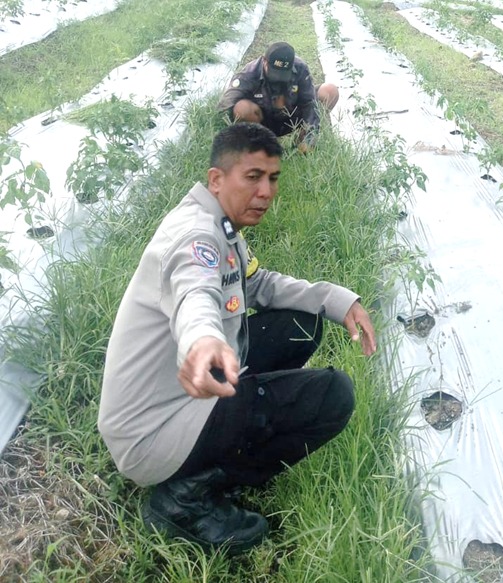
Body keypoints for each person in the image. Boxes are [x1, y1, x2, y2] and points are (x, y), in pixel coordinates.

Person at [97, 122, 376, 553]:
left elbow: (257, 283)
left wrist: (336, 301)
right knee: (333, 395)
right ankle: (184, 498)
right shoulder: (195, 237)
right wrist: (203, 342)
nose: (266, 192)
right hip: (153, 433)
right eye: (253, 177)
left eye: (273, 178)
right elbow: (195, 294)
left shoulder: (220, 224)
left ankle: (222, 441)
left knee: (303, 324)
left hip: (182, 395)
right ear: (216, 179)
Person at [218, 41, 339, 152]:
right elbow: (225, 105)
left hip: (291, 117)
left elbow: (309, 102)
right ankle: (259, 146)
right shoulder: (249, 73)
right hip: (263, 120)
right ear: (265, 61)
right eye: (275, 73)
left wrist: (310, 135)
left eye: (283, 74)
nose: (279, 79)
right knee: (242, 108)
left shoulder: (300, 67)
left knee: (329, 91)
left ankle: (299, 145)